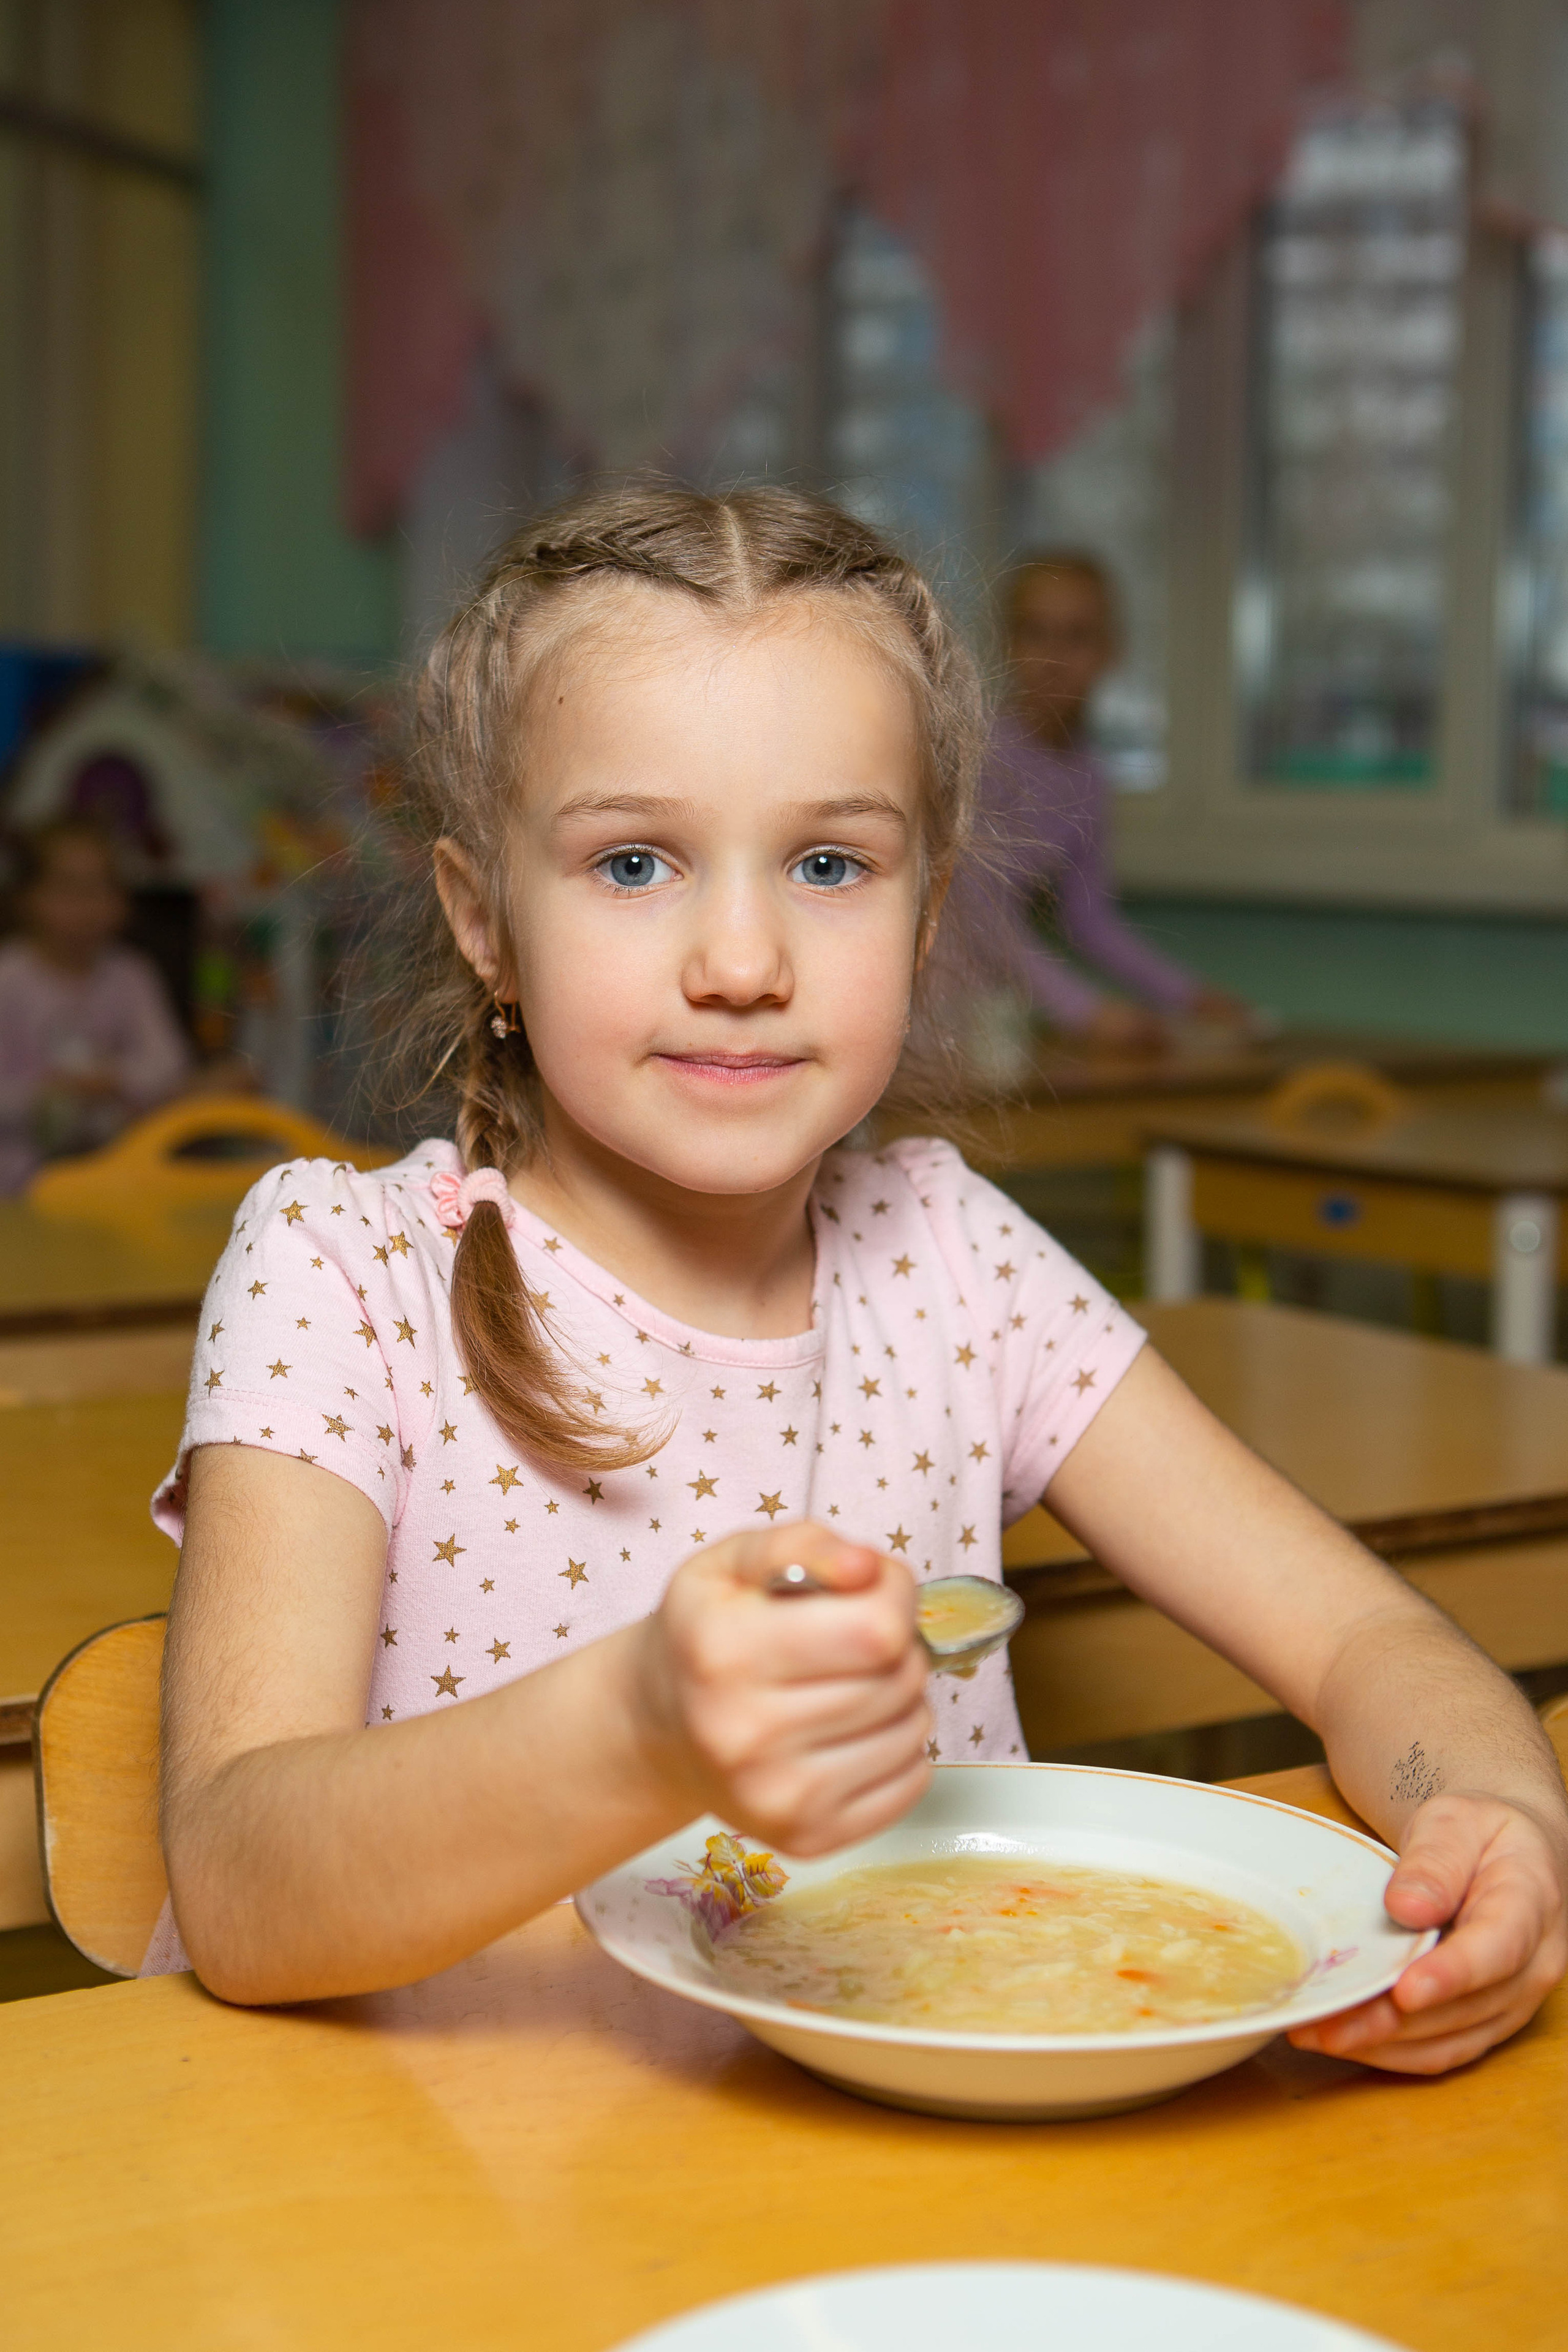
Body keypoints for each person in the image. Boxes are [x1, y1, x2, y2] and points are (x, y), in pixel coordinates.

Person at [153, 484, 1565, 2073]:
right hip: (450, 2211)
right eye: (633, 864)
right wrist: (637, 1729)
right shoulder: (339, 1277)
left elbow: (1367, 1644)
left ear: (931, 910)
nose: (743, 961)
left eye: (830, 864)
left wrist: (1496, 1816)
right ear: (484, 918)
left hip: (898, 2199)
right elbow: (238, 1885)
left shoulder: (959, 1266)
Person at [978, 552, 1249, 1050]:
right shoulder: (978, 757)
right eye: (1036, 632)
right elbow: (973, 911)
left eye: (1077, 636)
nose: (1054, 658)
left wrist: (1190, 996)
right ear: (1006, 645)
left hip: (991, 1019)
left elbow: (1090, 922)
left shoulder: (1087, 780)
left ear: (1111, 651)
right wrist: (1085, 1011)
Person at [0, 818, 192, 1195]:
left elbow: (170, 1064)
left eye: (101, 889)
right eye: (69, 889)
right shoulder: (9, 980)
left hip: (114, 1173)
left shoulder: (131, 975)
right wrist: (47, 1095)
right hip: (18, 1185)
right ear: (27, 897)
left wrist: (114, 1078)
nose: (88, 907)